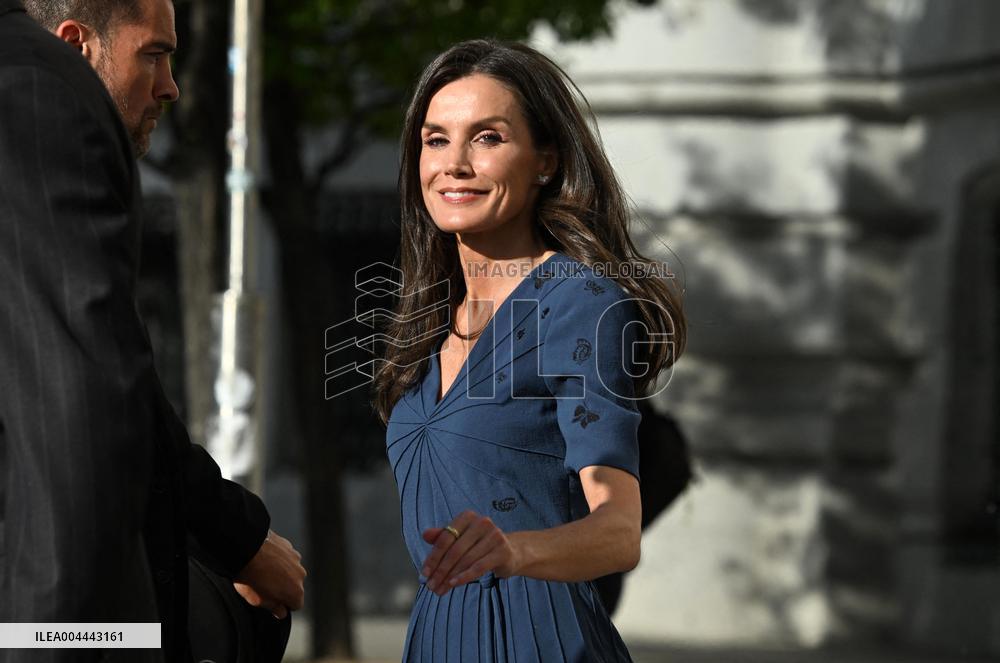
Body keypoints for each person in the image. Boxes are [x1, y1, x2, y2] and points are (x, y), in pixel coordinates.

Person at [0, 1, 304, 661]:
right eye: (154, 54)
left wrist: (239, 537)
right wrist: (51, 643)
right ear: (76, 45)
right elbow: (78, 398)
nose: (170, 84)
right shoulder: (37, 91)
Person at [372, 39, 686, 662]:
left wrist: (516, 550)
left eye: (486, 137)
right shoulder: (426, 320)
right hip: (436, 639)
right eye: (435, 140)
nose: (454, 163)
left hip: (540, 640)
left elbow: (619, 532)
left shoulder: (579, 304)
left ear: (544, 160)